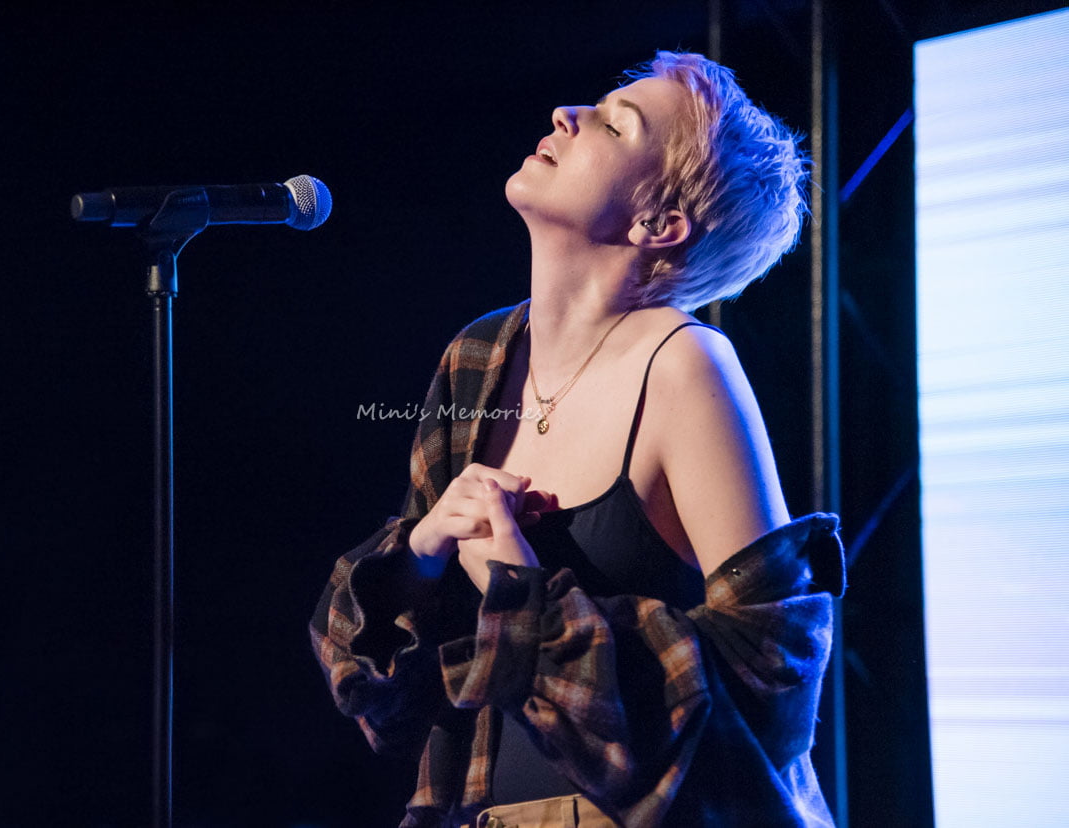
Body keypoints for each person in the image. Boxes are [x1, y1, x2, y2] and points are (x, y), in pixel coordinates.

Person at [311, 51, 845, 828]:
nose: (567, 114)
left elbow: (771, 677)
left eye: (614, 125)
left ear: (658, 224)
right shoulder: (477, 358)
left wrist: (525, 598)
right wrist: (421, 552)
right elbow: (386, 701)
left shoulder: (685, 365)